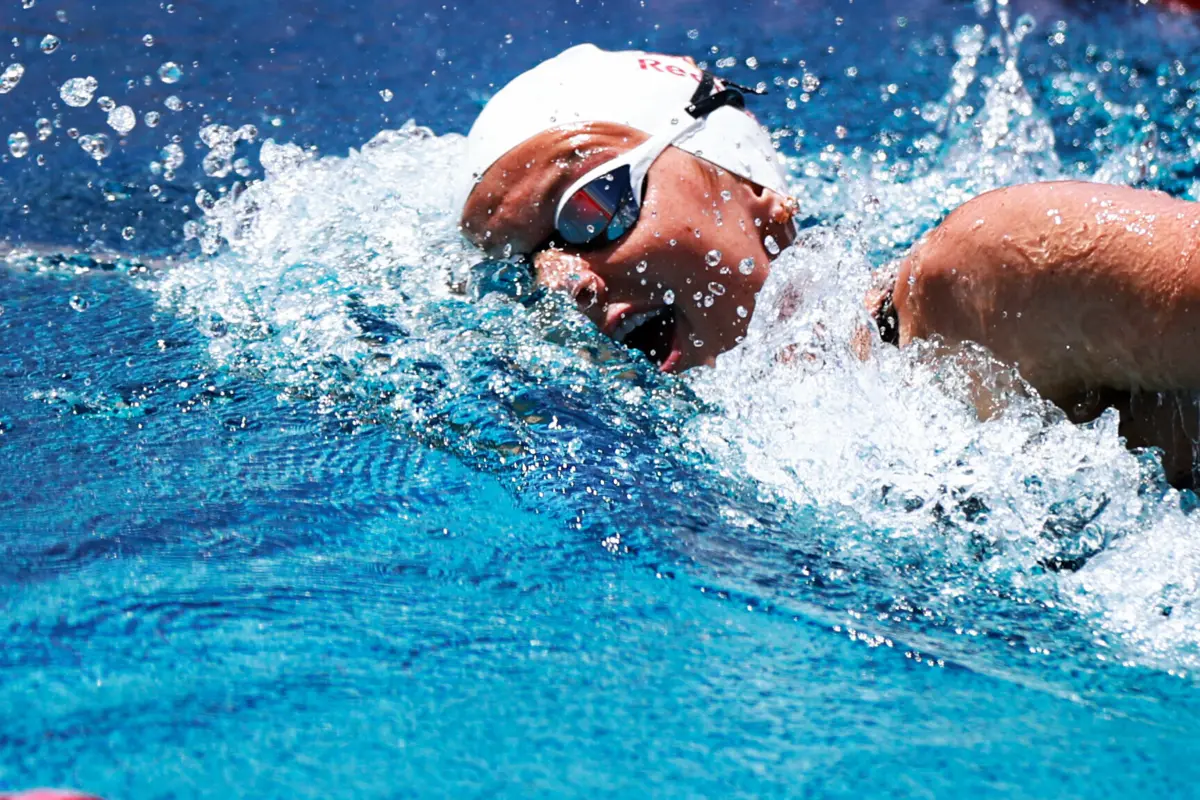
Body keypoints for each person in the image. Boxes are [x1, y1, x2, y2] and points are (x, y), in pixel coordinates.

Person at [459, 44, 1200, 487]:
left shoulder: (988, 278)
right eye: (525, 269)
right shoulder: (750, 479)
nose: (566, 283)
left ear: (754, 192)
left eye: (591, 208)